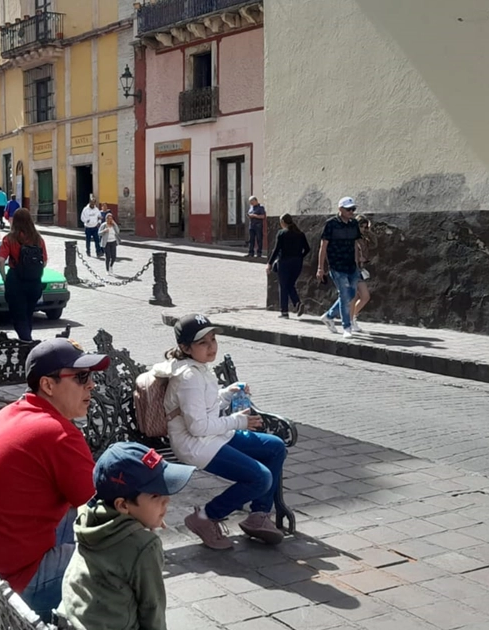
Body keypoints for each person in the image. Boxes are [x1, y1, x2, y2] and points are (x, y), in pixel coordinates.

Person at [0, 338, 110, 620]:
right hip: (6, 585)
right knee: (125, 556)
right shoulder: (57, 433)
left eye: (91, 377)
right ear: (48, 385)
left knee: (87, 526)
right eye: (81, 377)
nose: (91, 385)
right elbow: (101, 506)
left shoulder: (14, 412)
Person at [149, 315, 287, 550]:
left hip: (213, 436)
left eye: (213, 339)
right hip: (196, 445)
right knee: (260, 477)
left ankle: (258, 516)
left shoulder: (199, 369)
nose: (211, 346)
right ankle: (204, 518)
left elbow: (206, 405)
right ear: (185, 348)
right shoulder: (189, 376)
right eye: (203, 343)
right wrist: (238, 422)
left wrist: (227, 393)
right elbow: (197, 427)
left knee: (274, 446)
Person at [57, 442, 195, 630]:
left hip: (72, 620)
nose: (167, 499)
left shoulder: (88, 518)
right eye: (156, 496)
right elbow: (152, 609)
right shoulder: (145, 546)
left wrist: (144, 520)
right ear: (123, 505)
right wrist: (143, 534)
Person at [317, 197, 365, 339]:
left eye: (353, 209)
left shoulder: (354, 224)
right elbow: (323, 246)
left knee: (350, 295)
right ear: (340, 209)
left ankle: (329, 316)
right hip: (336, 266)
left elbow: (356, 244)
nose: (351, 211)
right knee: (344, 295)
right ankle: (346, 327)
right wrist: (320, 267)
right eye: (349, 209)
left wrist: (358, 261)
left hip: (351, 265)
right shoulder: (330, 224)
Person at [0, 208, 48, 342]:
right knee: (28, 313)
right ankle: (27, 340)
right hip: (34, 281)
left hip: (16, 280)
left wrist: (4, 276)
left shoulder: (10, 238)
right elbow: (45, 261)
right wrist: (32, 269)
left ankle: (27, 342)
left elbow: (0, 260)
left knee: (18, 315)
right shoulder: (38, 238)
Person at [266, 214, 311, 319]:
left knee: (283, 286)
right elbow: (307, 248)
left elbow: (276, 250)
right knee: (290, 284)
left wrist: (269, 263)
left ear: (282, 222)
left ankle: (284, 312)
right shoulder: (300, 234)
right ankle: (297, 303)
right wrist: (300, 256)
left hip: (284, 263)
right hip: (297, 263)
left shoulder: (282, 233)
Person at [349, 214, 374, 332]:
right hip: (353, 269)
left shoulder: (364, 238)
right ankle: (349, 320)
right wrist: (359, 259)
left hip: (359, 269)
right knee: (353, 297)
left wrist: (369, 232)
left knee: (364, 296)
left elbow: (375, 244)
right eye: (362, 226)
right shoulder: (352, 238)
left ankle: (352, 318)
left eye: (365, 227)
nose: (364, 229)